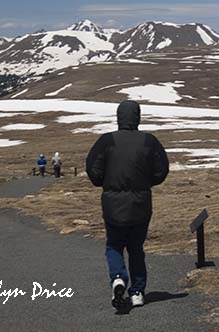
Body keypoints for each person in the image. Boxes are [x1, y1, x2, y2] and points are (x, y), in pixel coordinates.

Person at [86, 100, 169, 310]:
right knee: (136, 248)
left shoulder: (106, 141)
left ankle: (118, 279)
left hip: (112, 203)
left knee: (114, 245)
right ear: (138, 117)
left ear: (119, 117)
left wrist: (105, 182)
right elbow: (162, 170)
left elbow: (93, 170)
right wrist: (145, 183)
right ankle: (138, 292)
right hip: (141, 203)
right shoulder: (149, 141)